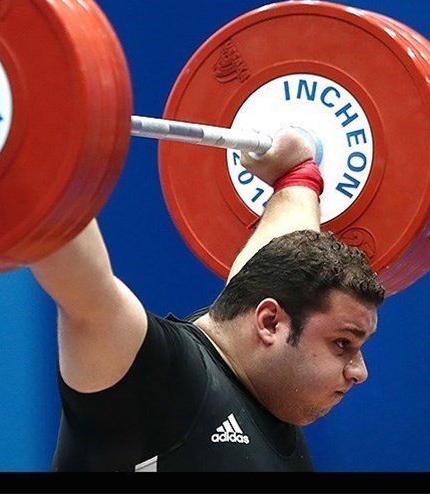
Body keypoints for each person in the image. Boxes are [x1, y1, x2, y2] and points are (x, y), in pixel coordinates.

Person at [29, 127, 386, 472]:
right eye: (342, 343)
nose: (360, 372)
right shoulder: (156, 379)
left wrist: (298, 178)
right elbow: (85, 293)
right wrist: (32, 144)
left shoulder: (273, 390)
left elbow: (286, 255)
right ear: (269, 323)